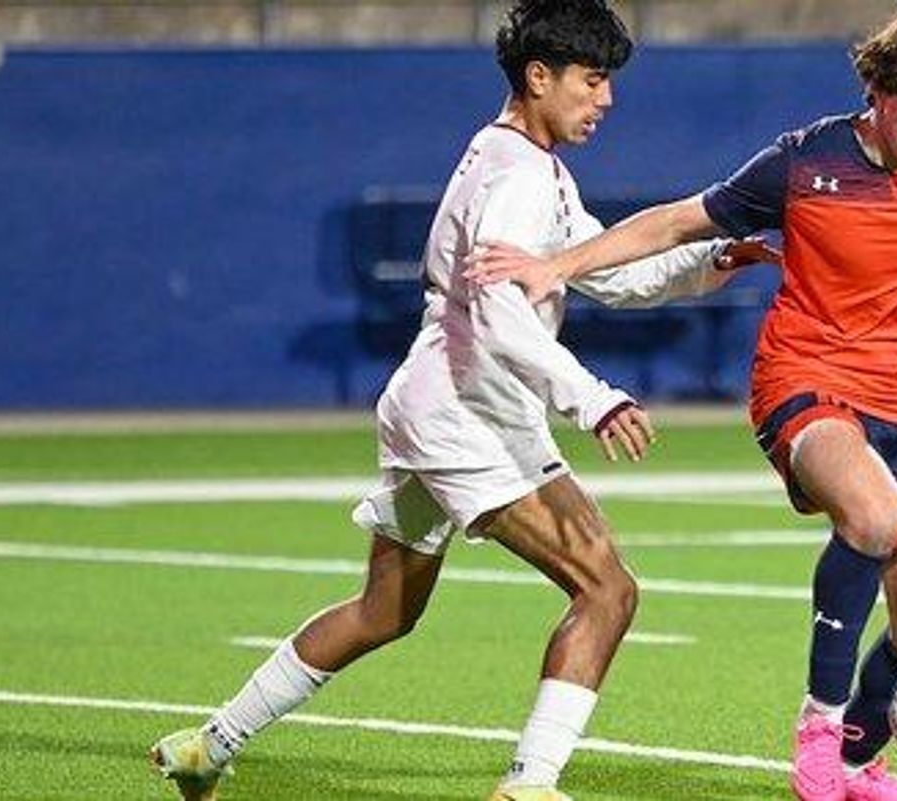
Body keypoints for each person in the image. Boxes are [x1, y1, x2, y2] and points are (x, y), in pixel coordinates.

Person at [465, 2, 897, 800]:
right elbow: (678, 222)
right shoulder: (804, 162)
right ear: (879, 93)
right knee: (872, 513)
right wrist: (560, 265)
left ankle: (856, 760)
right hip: (804, 378)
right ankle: (818, 734)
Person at [147, 2, 772, 801]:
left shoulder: (523, 161)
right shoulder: (516, 175)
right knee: (607, 589)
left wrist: (711, 259)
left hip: (433, 402)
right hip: (468, 412)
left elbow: (605, 273)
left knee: (383, 611)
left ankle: (209, 745)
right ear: (539, 77)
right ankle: (529, 784)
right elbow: (502, 317)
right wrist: (593, 399)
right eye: (592, 79)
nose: (606, 98)